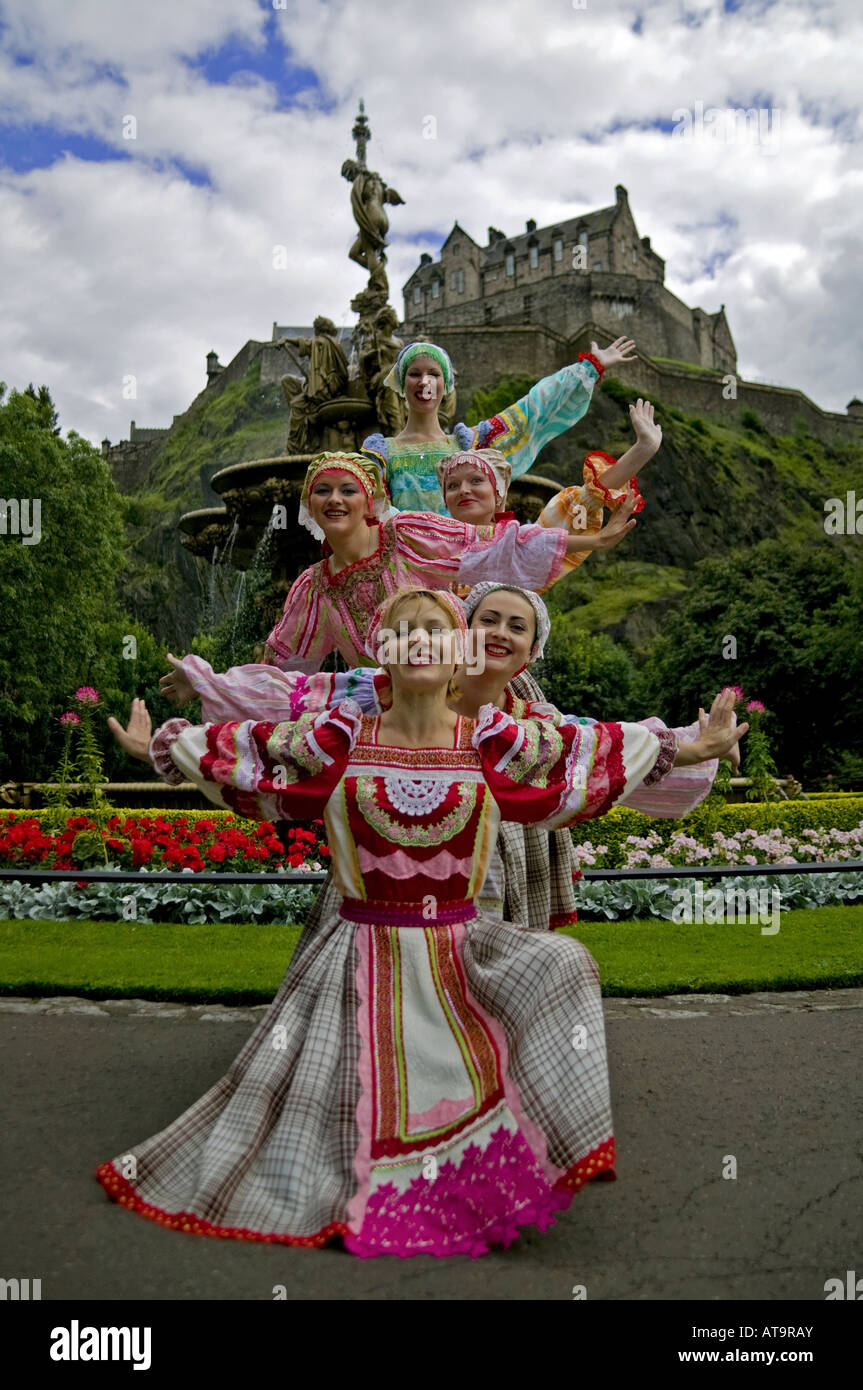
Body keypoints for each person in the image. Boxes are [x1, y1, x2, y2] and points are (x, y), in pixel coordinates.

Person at [101, 586, 747, 1257]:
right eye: (403, 631)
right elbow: (249, 753)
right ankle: (354, 1185)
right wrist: (163, 747)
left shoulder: (496, 742)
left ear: (456, 651)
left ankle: (510, 1163)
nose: (419, 642)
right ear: (381, 650)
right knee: (332, 1108)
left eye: (434, 633)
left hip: (457, 947)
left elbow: (589, 749)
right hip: (357, 948)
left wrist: (689, 746)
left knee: (562, 963)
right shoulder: (335, 739)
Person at [161, 584, 735, 932]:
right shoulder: (378, 691)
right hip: (387, 882)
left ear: (531, 653)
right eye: (487, 619)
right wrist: (207, 686)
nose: (499, 633)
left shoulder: (537, 722)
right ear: (462, 631)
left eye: (517, 627)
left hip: (505, 865)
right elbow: (292, 697)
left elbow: (602, 749)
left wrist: (695, 745)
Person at [261, 450, 638, 672]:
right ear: (309, 507)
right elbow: (283, 668)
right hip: (375, 711)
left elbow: (498, 543)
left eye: (348, 490)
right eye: (322, 491)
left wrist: (596, 540)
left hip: (459, 689)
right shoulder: (313, 587)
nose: (335, 500)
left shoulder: (407, 534)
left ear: (370, 501)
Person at [361, 336, 637, 514]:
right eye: (414, 374)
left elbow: (530, 410)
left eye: (433, 374)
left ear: (446, 385)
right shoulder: (381, 455)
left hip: (464, 572)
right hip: (405, 579)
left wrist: (589, 368)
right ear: (402, 383)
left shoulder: (470, 445)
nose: (424, 383)